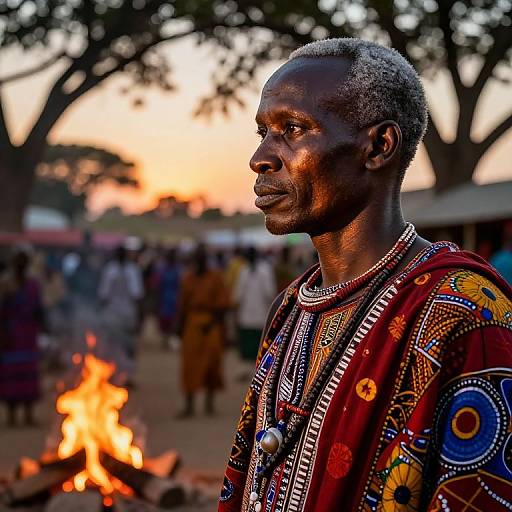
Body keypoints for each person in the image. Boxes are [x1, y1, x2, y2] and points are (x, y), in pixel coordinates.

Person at [219, 39, 512, 512]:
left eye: (292, 129)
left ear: (377, 147)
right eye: (263, 132)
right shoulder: (293, 308)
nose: (261, 158)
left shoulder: (463, 313)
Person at [176, 244, 229, 417]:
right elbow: (182, 307)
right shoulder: (188, 279)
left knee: (212, 365)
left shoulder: (215, 278)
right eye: (196, 259)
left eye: (201, 258)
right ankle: (189, 405)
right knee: (190, 365)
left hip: (210, 327)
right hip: (192, 326)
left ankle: (209, 404)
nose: (199, 262)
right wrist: (179, 327)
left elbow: (222, 306)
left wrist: (214, 324)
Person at [0, 249, 44, 426]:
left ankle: (28, 415)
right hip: (12, 335)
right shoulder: (6, 283)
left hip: (28, 335)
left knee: (28, 375)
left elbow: (39, 310)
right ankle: (11, 417)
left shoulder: (33, 285)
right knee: (10, 375)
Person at [98, 246, 144, 385]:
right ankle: (113, 373)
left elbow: (103, 295)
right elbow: (137, 295)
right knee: (113, 344)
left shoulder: (129, 270)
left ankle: (126, 376)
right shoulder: (114, 270)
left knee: (127, 345)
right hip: (116, 314)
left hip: (124, 314)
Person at [234, 247, 276, 367]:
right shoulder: (244, 271)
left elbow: (269, 292)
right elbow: (239, 294)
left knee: (259, 341)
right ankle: (250, 369)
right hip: (248, 313)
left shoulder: (263, 270)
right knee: (250, 343)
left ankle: (258, 368)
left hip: (260, 312)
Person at [156, 248, 181, 348]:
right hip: (166, 298)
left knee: (170, 320)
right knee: (166, 320)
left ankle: (167, 339)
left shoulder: (175, 271)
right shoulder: (165, 271)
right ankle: (166, 339)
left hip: (170, 298)